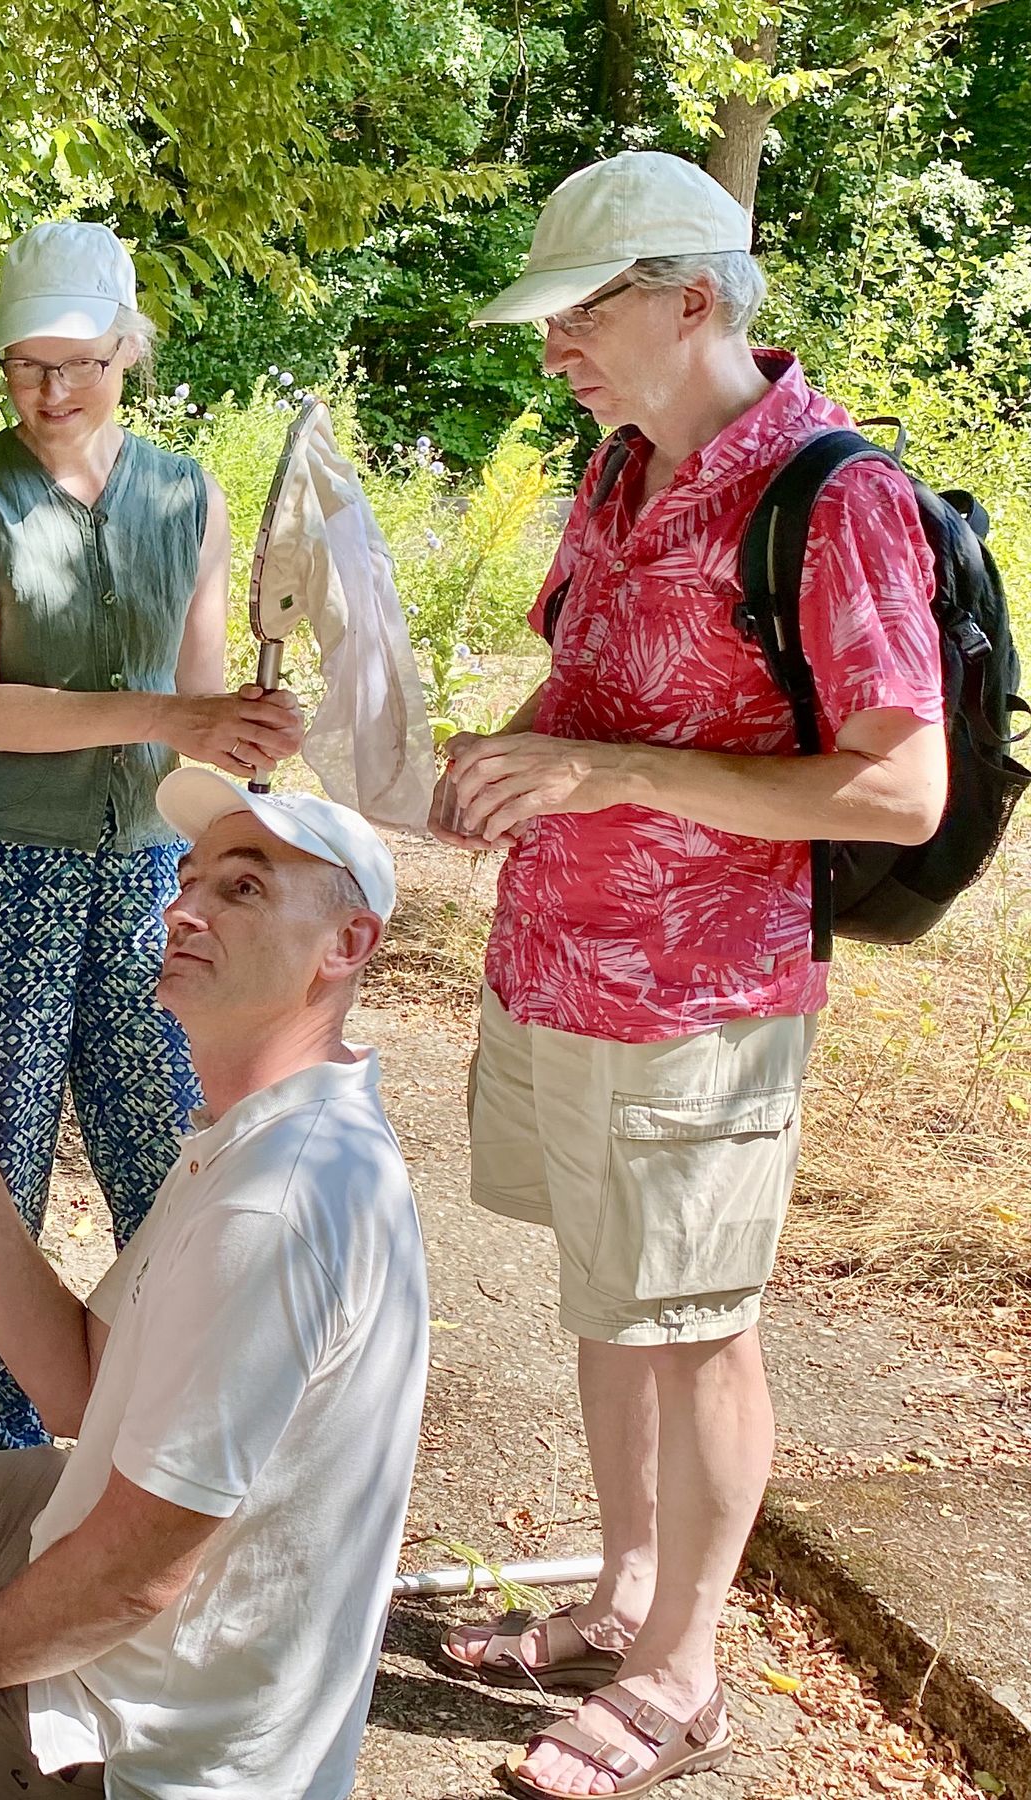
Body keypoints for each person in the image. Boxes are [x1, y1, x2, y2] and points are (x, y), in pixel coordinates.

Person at [430, 151, 946, 1799]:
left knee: (698, 1323)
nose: (553, 352)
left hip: (706, 1002)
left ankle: (683, 1678)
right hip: (562, 965)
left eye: (579, 318)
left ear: (694, 299)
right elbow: (585, 685)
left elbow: (899, 786)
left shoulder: (834, 498)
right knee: (612, 1297)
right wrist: (498, 754)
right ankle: (625, 1596)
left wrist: (616, 780)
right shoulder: (615, 468)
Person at [0, 769, 427, 1800]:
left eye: (245, 889)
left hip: (147, 1748)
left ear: (346, 946)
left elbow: (137, 1577)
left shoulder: (278, 1203)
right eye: (189, 879)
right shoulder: (266, 1132)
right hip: (115, 1589)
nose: (185, 909)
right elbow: (80, 1390)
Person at [0, 218, 304, 1449]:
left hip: (144, 880)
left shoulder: (189, 493)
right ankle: (14, 1454)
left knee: (172, 1155)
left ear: (130, 348)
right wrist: (177, 710)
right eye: (23, 364)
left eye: (78, 361)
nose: (49, 391)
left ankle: (170, 1433)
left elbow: (201, 712)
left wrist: (237, 742)